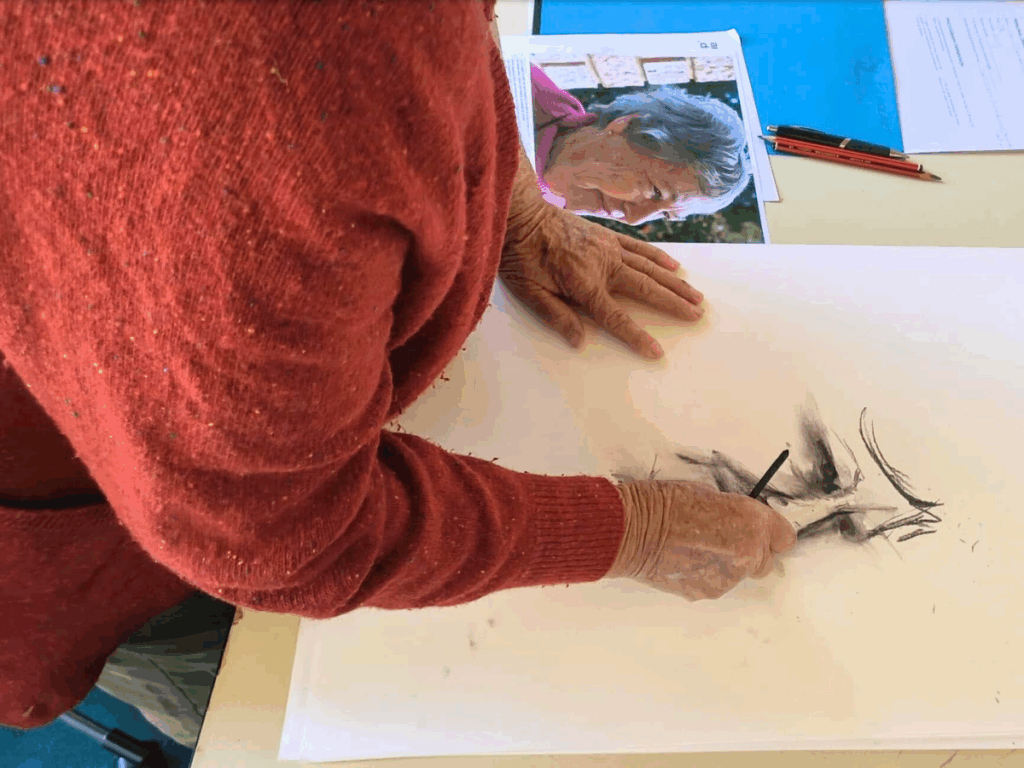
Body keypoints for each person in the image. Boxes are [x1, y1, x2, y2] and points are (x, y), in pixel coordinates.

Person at [0, 1, 795, 750]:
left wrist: (508, 194)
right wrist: (630, 530)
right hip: (108, 536)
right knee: (252, 716)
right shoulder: (290, 98)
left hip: (191, 410)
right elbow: (283, 538)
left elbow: (451, 41)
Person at [532, 63, 752, 226]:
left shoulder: (541, 229)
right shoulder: (522, 88)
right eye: (655, 192)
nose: (633, 219)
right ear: (625, 125)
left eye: (664, 215)